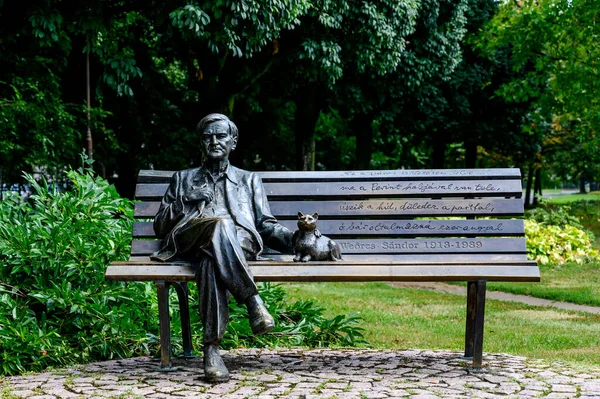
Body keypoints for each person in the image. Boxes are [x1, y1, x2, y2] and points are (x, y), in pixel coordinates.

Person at [151, 113, 293, 382]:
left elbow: (265, 225)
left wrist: (296, 239)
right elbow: (160, 225)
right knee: (218, 226)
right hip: (191, 239)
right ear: (200, 144)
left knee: (211, 260)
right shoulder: (183, 179)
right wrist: (185, 200)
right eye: (207, 137)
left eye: (220, 136)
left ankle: (212, 351)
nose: (214, 141)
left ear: (233, 141)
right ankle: (252, 301)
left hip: (237, 246)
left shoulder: (249, 180)